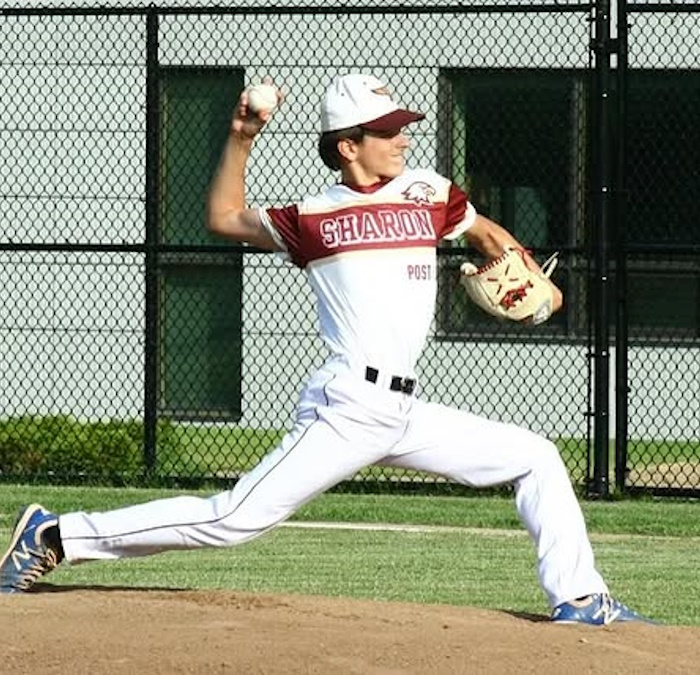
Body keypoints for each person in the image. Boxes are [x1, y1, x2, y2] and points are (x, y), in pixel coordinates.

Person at [0, 74, 652, 625]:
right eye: (387, 128)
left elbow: (482, 231)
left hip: (402, 408)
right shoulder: (313, 217)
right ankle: (57, 534)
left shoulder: (428, 190)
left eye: (402, 125)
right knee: (235, 518)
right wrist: (242, 136)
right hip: (348, 403)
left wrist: (532, 283)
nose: (403, 135)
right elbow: (223, 217)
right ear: (348, 145)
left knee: (535, 456)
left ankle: (579, 596)